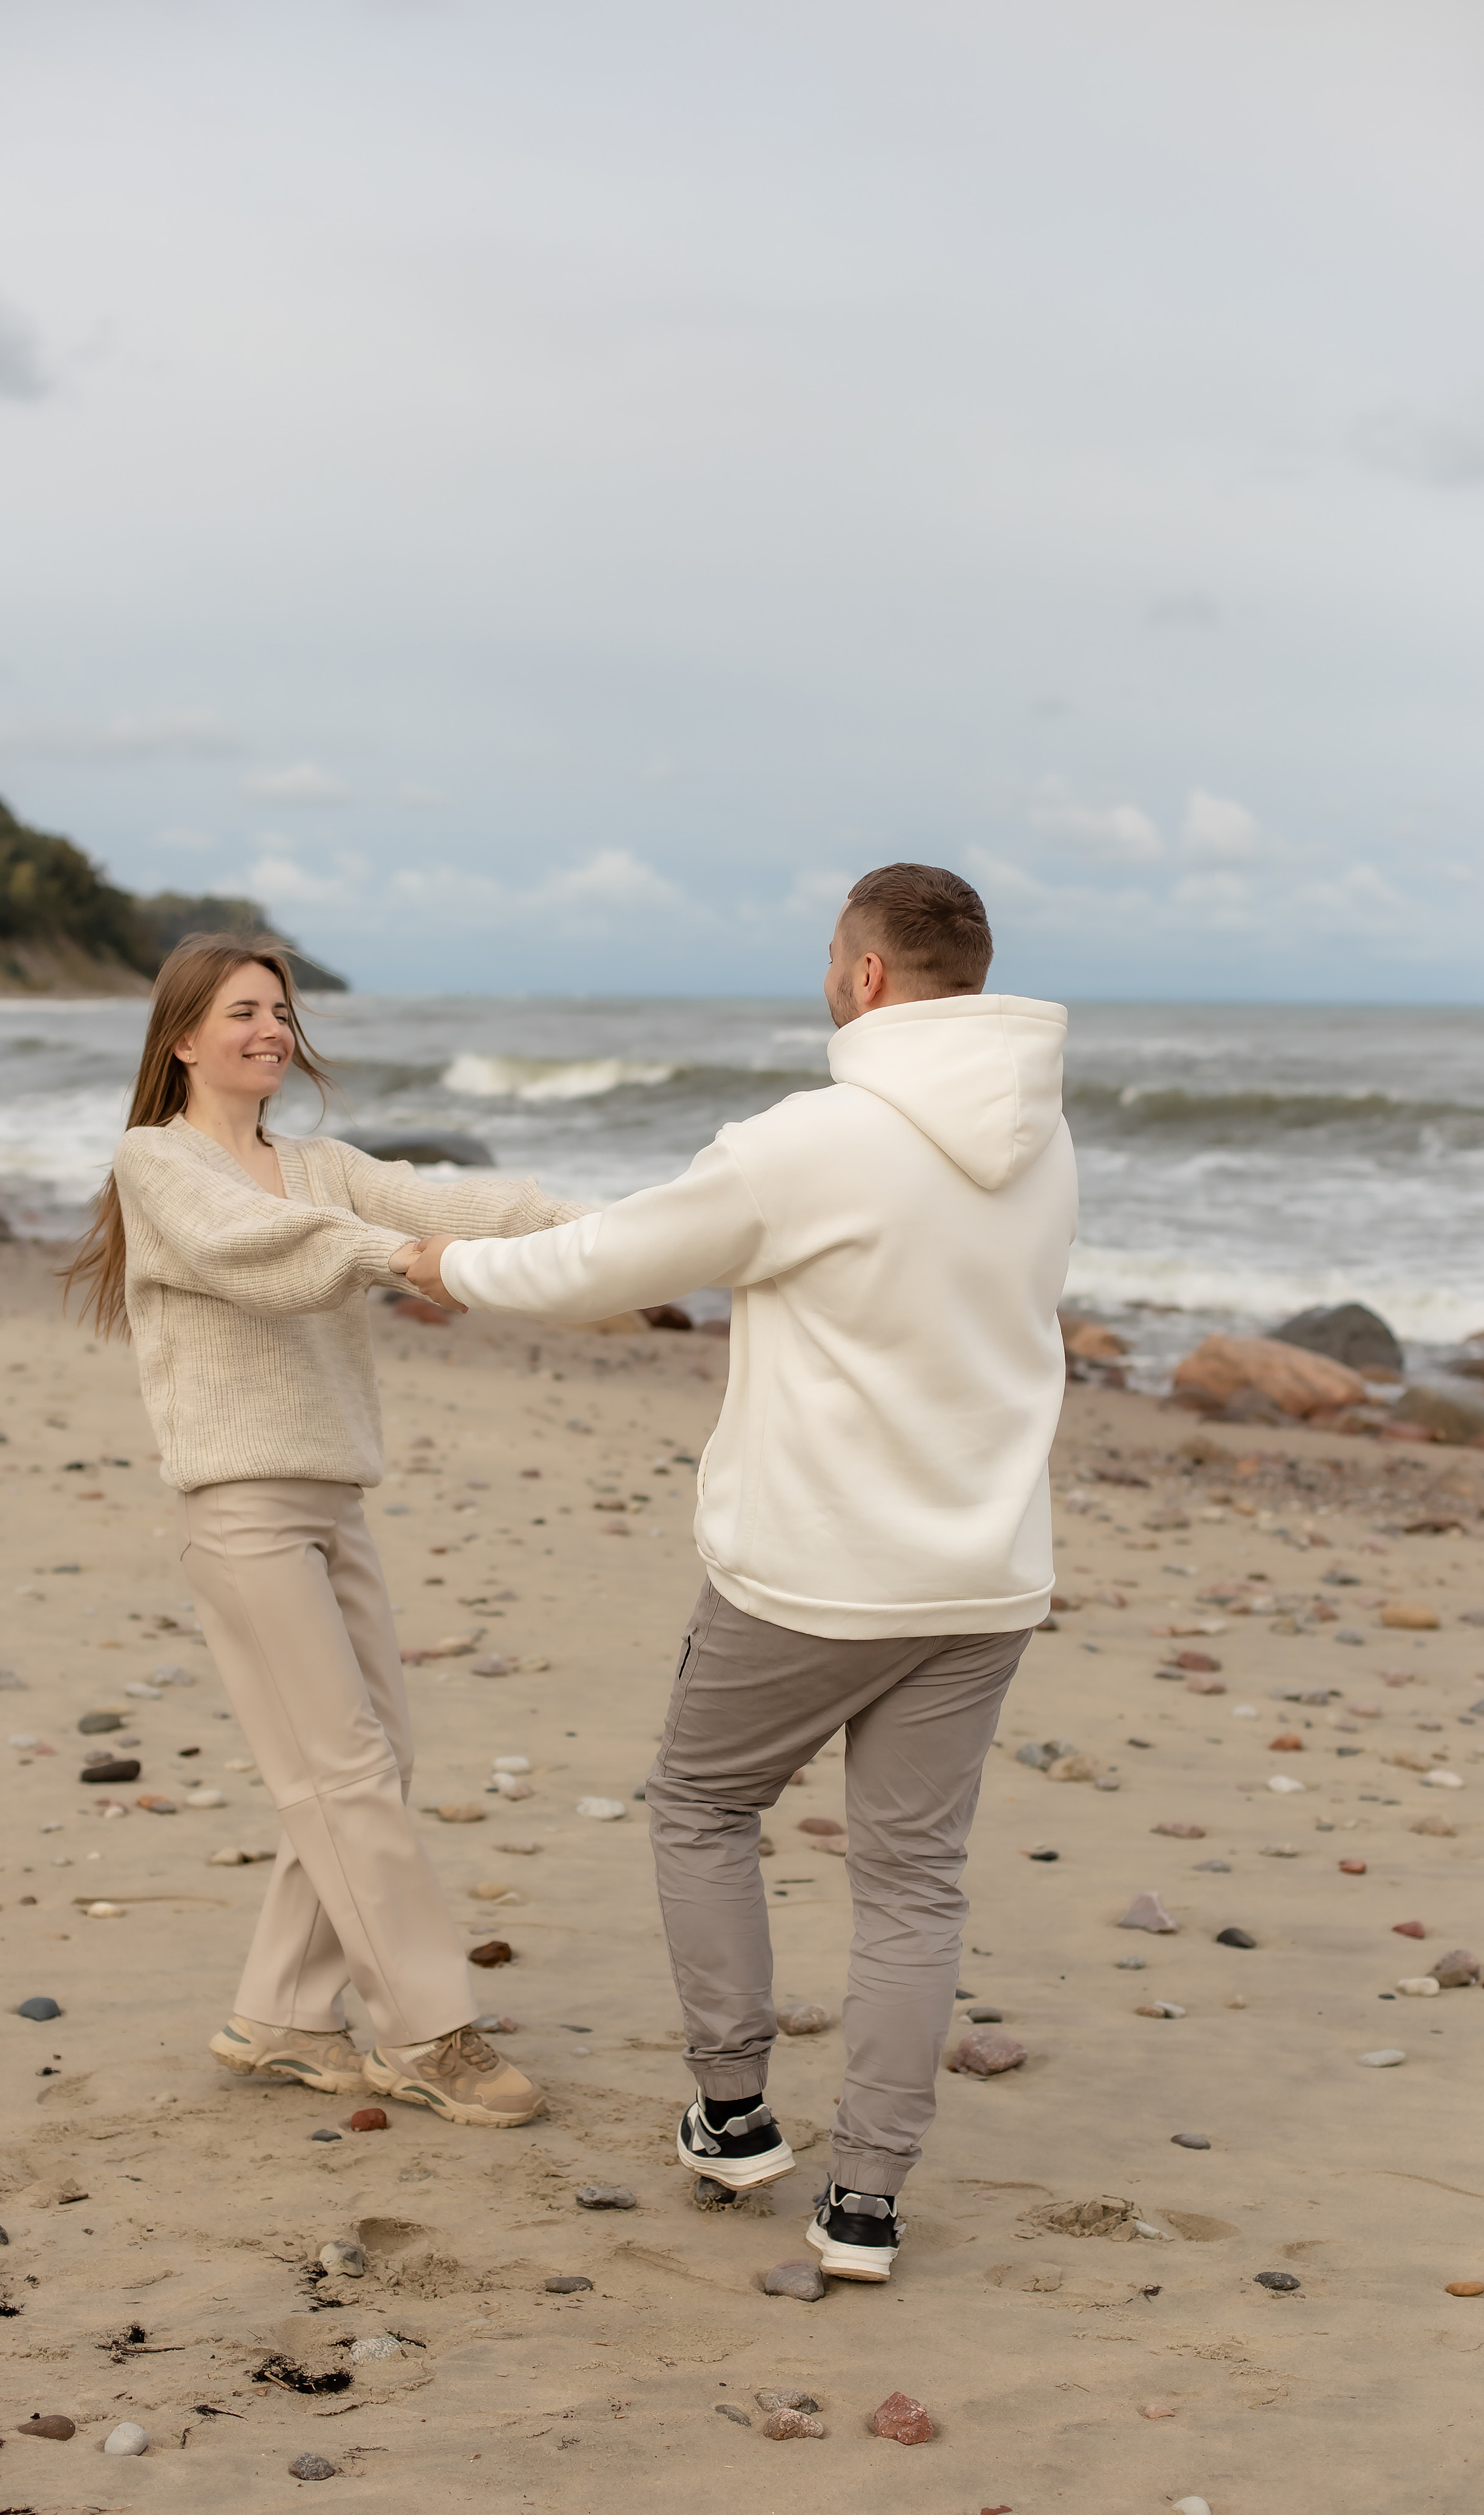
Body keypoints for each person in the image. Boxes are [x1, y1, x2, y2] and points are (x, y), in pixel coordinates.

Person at [394, 865, 1076, 2275]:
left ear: (866, 974)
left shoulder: (806, 1142)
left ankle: (732, 2111)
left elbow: (602, 1263)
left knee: (702, 1805)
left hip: (813, 1575)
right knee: (912, 1886)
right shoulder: (1043, 1142)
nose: (828, 976)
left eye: (832, 955)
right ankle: (866, 2200)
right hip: (980, 1577)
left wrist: (445, 1265)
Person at [65, 931, 590, 2128]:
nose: (271, 1030)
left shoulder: (321, 1165)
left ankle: (283, 2016)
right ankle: (425, 2032)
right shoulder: (157, 1160)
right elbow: (249, 1248)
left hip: (332, 1497)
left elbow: (466, 1201)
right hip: (241, 1506)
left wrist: (626, 1228)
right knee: (341, 1770)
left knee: (373, 1761)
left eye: (280, 1011)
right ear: (182, 1038)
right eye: (242, 1011)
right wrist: (401, 1260)